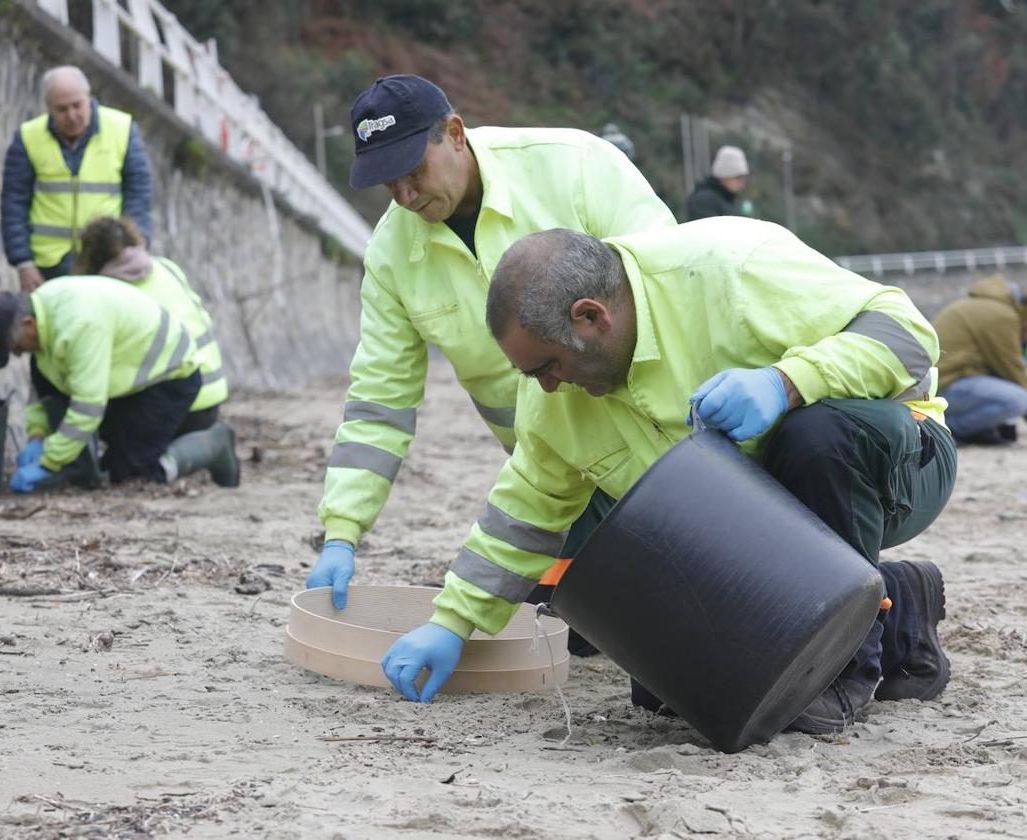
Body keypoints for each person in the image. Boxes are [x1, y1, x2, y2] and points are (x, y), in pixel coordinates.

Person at [381, 221, 956, 737]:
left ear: (591, 317)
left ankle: (844, 664)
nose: (547, 387)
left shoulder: (728, 269)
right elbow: (523, 514)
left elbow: (908, 334)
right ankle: (899, 598)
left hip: (893, 462)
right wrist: (451, 624)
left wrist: (788, 382)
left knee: (820, 433)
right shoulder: (552, 404)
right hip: (757, 521)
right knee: (662, 693)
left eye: (548, 366)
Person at [307, 75, 675, 632]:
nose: (405, 196)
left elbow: (669, 290)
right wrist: (342, 531)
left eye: (413, 172)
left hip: (658, 440)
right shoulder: (391, 255)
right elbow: (380, 400)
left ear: (454, 133)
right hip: (554, 469)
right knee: (576, 629)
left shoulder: (572, 167)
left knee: (685, 594)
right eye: (388, 183)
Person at [0, 277, 238, 493]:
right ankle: (84, 464)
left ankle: (214, 444)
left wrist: (47, 461)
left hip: (168, 378)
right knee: (110, 463)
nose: (19, 353)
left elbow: (88, 406)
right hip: (128, 379)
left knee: (132, 473)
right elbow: (42, 390)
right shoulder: (42, 314)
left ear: (28, 323)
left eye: (18, 347)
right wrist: (37, 436)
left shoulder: (79, 324)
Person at [73, 216, 234, 456]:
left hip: (179, 407)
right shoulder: (166, 267)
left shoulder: (105, 292)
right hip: (211, 400)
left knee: (129, 466)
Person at [0, 66, 153, 292]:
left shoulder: (122, 130)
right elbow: (14, 203)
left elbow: (139, 195)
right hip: (48, 266)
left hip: (109, 260)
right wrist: (24, 262)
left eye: (77, 105)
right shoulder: (28, 138)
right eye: (61, 109)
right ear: (47, 106)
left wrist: (136, 246)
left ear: (89, 96)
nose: (71, 116)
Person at [932, 274, 1027, 444]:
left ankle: (976, 428)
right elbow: (1014, 371)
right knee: (1020, 399)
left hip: (939, 382)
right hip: (945, 385)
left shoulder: (986, 305)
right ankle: (949, 429)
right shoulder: (1002, 315)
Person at [686, 145, 749, 220]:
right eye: (738, 178)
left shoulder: (729, 199)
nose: (742, 183)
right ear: (725, 175)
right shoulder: (704, 200)